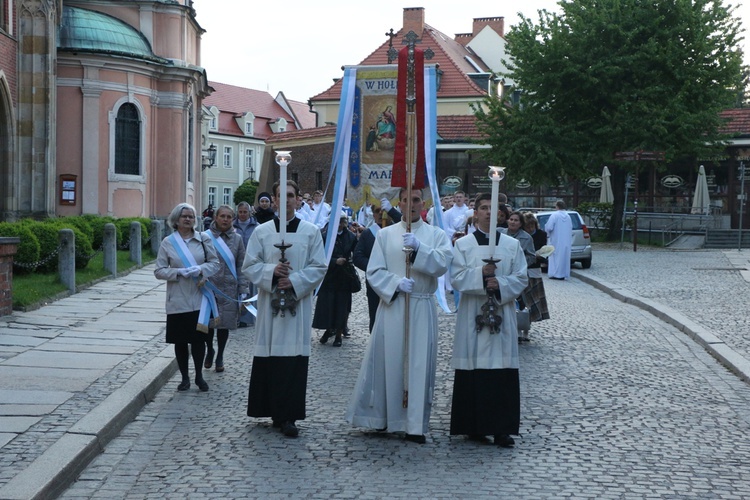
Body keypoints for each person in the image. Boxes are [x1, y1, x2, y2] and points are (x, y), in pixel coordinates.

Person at [347, 187, 453, 444]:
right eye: (406, 200)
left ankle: (414, 424)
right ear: (400, 203)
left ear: (423, 203)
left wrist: (420, 250)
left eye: (416, 200)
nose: (411, 205)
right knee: (389, 359)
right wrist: (394, 284)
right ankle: (383, 418)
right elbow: (374, 270)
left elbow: (442, 264)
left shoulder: (436, 235)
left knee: (417, 364)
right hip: (393, 306)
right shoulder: (385, 235)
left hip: (421, 305)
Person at [242, 180, 327, 438]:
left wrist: (295, 280)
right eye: (282, 195)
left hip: (296, 308)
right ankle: (269, 408)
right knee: (270, 355)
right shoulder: (262, 232)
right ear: (275, 200)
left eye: (291, 195)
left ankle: (289, 416)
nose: (287, 200)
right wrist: (271, 272)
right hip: (269, 307)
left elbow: (319, 266)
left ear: (299, 199)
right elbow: (249, 265)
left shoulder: (311, 232)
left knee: (293, 359)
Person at [449, 192, 528, 447]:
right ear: (476, 213)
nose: (487, 213)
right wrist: (480, 275)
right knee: (473, 369)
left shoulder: (511, 245)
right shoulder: (463, 245)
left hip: (501, 316)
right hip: (473, 315)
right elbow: (457, 278)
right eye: (483, 208)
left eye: (493, 209)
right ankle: (473, 426)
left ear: (500, 215)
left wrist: (500, 284)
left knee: (501, 371)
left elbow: (521, 277)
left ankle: (501, 428)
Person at [154, 203, 220, 392]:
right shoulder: (168, 242)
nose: (188, 219)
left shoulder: (203, 239)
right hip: (178, 299)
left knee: (199, 340)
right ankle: (184, 378)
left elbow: (215, 264)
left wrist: (200, 269)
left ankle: (199, 375)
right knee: (181, 341)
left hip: (200, 297)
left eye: (191, 216)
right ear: (176, 219)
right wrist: (178, 272)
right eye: (184, 216)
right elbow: (159, 271)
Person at [203, 205, 249, 372]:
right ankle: (210, 350)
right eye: (222, 216)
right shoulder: (205, 237)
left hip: (229, 288)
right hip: (210, 287)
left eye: (229, 217)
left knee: (224, 325)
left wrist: (243, 290)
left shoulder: (237, 239)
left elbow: (241, 264)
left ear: (233, 219)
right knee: (207, 324)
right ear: (216, 217)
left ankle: (220, 354)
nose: (225, 219)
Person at [313, 212, 358, 347]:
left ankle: (339, 332)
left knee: (342, 307)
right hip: (329, 276)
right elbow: (319, 255)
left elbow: (356, 253)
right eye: (337, 222)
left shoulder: (350, 236)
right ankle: (329, 329)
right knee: (328, 305)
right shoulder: (325, 236)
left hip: (344, 276)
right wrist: (333, 261)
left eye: (342, 222)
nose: (339, 225)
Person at [352, 203, 385, 333]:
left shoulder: (397, 230)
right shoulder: (368, 234)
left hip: (395, 280)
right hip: (374, 281)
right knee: (375, 314)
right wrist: (374, 267)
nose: (382, 214)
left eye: (385, 211)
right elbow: (357, 257)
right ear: (373, 214)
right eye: (378, 211)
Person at [506, 211, 537, 342]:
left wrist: (521, 263)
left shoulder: (526, 238)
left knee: (521, 302)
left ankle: (521, 329)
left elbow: (532, 256)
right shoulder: (500, 233)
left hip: (518, 274)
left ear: (520, 223)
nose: (513, 222)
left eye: (516, 220)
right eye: (511, 219)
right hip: (503, 272)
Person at [521, 212, 550, 331]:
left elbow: (544, 250)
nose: (529, 229)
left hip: (534, 268)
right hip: (523, 267)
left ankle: (528, 324)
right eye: (527, 226)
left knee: (533, 299)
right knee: (522, 299)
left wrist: (540, 255)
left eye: (531, 226)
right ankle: (521, 324)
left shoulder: (541, 234)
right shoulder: (521, 235)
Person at [233, 201, 258, 328]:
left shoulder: (257, 227)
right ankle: (235, 316)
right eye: (240, 212)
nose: (242, 214)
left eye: (245, 212)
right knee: (236, 290)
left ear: (250, 212)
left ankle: (247, 318)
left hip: (251, 263)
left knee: (250, 291)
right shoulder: (232, 226)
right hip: (235, 263)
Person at [545, 200, 573, 280]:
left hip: (555, 240)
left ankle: (555, 273)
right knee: (564, 257)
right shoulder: (568, 216)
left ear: (557, 206)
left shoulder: (554, 215)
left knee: (555, 257)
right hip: (566, 241)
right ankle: (563, 273)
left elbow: (549, 227)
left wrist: (547, 232)